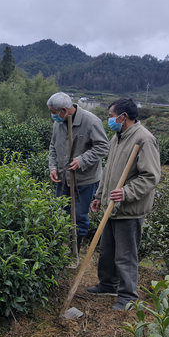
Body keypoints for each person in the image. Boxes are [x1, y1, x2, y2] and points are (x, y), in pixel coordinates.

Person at [87, 98, 161, 311]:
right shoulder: (117, 137)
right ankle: (108, 285)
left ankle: (128, 296)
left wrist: (126, 193)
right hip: (111, 205)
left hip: (129, 208)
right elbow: (109, 171)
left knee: (125, 254)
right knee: (107, 250)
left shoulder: (144, 139)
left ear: (123, 117)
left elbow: (150, 176)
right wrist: (99, 196)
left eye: (111, 116)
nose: (109, 120)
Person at [47, 92, 109, 248]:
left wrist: (82, 160)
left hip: (85, 180)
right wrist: (53, 167)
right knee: (60, 212)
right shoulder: (58, 123)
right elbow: (53, 146)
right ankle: (58, 248)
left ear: (64, 110)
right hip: (63, 178)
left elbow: (103, 147)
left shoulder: (91, 121)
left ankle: (75, 249)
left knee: (80, 216)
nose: (53, 116)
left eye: (54, 113)